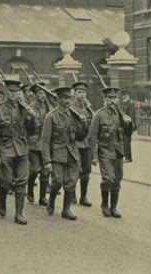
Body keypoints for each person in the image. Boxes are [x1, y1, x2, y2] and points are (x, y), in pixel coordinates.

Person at [0, 80, 38, 225]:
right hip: (4, 149)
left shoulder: (24, 109)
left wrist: (32, 117)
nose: (14, 95)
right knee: (7, 180)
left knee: (22, 181)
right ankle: (2, 200)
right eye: (11, 92)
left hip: (21, 149)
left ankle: (19, 213)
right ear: (6, 92)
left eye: (17, 92)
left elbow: (32, 131)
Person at [41, 86, 88, 220]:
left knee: (71, 181)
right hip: (57, 154)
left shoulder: (73, 116)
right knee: (57, 181)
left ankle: (66, 210)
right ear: (58, 99)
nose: (67, 101)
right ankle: (51, 201)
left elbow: (80, 136)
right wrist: (47, 161)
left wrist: (84, 124)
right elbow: (44, 141)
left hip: (72, 153)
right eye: (64, 98)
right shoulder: (51, 117)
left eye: (69, 98)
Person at [88, 87, 132, 219]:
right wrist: (93, 156)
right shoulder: (99, 115)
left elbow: (128, 134)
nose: (112, 101)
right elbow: (92, 137)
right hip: (105, 151)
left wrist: (128, 123)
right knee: (108, 179)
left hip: (118, 151)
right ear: (105, 99)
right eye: (109, 98)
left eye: (114, 98)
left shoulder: (120, 114)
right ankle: (105, 205)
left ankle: (114, 207)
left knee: (117, 180)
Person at [26, 83, 52, 206]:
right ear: (35, 95)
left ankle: (42, 197)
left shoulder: (48, 107)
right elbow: (29, 128)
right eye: (40, 93)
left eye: (44, 93)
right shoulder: (31, 107)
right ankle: (30, 188)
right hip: (33, 143)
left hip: (45, 143)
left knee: (45, 170)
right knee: (35, 169)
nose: (43, 96)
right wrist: (31, 118)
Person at [70, 81, 94, 206]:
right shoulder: (71, 107)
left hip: (86, 144)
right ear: (74, 93)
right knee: (75, 169)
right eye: (79, 92)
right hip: (75, 143)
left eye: (83, 92)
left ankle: (83, 196)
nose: (82, 95)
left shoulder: (88, 108)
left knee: (86, 170)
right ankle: (72, 193)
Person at [121, 88, 137, 163]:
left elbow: (131, 114)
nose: (123, 96)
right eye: (123, 95)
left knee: (127, 140)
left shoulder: (130, 102)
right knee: (124, 140)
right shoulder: (123, 102)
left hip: (128, 124)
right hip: (123, 124)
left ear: (127, 95)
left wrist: (132, 123)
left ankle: (128, 157)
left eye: (125, 94)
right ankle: (125, 156)